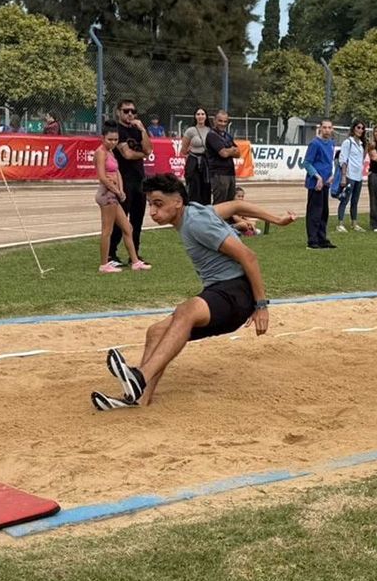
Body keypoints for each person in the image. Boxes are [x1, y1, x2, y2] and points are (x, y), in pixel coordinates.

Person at [91, 173, 296, 409]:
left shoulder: (197, 223)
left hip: (236, 292)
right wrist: (277, 220)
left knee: (186, 311)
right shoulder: (197, 212)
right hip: (223, 293)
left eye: (158, 204)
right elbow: (237, 205)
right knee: (156, 332)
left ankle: (140, 377)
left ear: (178, 202)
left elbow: (249, 257)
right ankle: (140, 397)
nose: (153, 212)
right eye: (150, 205)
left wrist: (261, 306)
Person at [93, 122, 150, 274]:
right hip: (107, 195)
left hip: (114, 194)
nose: (113, 142)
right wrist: (117, 191)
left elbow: (116, 172)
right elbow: (102, 177)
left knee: (127, 227)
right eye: (110, 139)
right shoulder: (101, 152)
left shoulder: (110, 152)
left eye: (115, 139)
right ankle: (104, 264)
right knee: (107, 230)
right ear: (102, 138)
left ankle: (135, 261)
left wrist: (121, 190)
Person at [107, 99, 152, 267]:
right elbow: (127, 154)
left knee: (137, 219)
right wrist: (143, 154)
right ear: (118, 112)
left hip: (139, 178)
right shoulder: (117, 131)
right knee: (120, 219)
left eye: (133, 111)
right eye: (126, 111)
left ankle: (134, 255)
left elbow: (149, 149)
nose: (130, 114)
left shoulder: (137, 129)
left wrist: (143, 130)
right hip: (123, 179)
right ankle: (111, 254)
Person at [305, 118, 336, 249]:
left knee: (324, 212)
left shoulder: (331, 143)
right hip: (316, 183)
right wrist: (317, 177)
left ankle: (322, 238)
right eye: (325, 127)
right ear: (320, 128)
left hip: (326, 182)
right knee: (315, 212)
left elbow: (329, 162)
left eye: (329, 128)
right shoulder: (315, 144)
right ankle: (312, 240)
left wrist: (331, 176)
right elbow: (307, 163)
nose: (327, 130)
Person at [335, 120, 367, 233]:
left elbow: (361, 159)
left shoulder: (361, 144)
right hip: (349, 175)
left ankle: (354, 223)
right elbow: (343, 160)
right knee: (345, 199)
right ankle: (340, 224)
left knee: (355, 201)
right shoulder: (348, 142)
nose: (360, 130)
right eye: (358, 127)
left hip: (358, 176)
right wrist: (344, 176)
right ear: (353, 128)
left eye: (362, 128)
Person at [180, 107, 213, 205]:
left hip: (206, 162)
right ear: (195, 116)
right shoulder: (190, 131)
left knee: (206, 187)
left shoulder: (210, 130)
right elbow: (183, 150)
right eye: (198, 114)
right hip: (193, 162)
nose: (200, 116)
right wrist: (190, 151)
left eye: (202, 114)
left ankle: (205, 210)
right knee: (194, 188)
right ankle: (193, 209)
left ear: (206, 116)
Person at [205, 110, 239, 204]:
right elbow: (223, 154)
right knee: (220, 203)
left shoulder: (228, 136)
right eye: (220, 121)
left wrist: (228, 151)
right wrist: (231, 150)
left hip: (230, 173)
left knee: (230, 203)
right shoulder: (212, 135)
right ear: (214, 120)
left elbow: (238, 153)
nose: (223, 124)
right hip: (219, 174)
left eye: (225, 121)